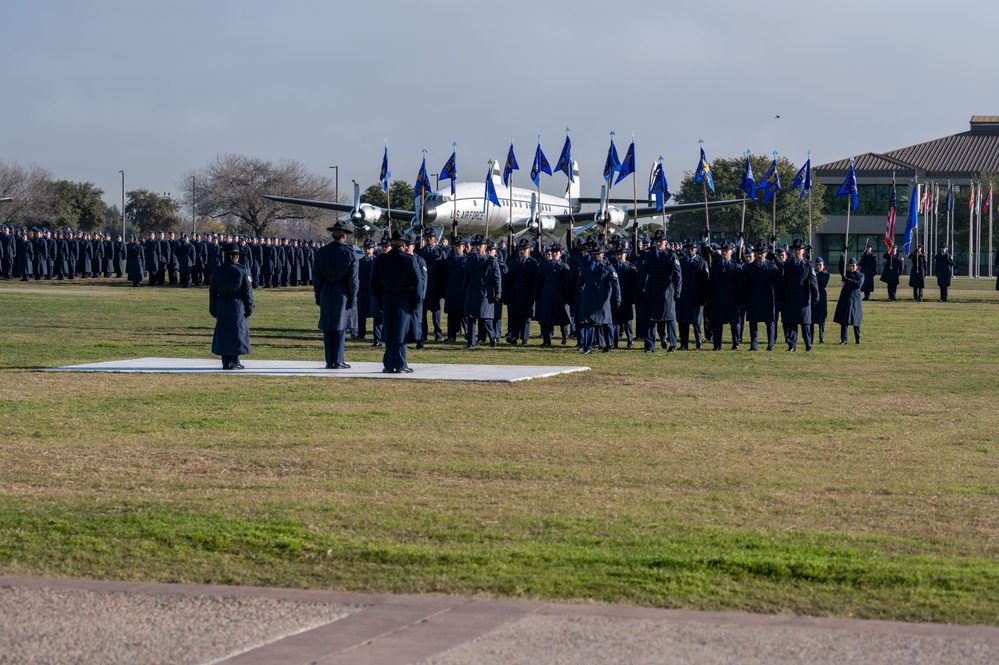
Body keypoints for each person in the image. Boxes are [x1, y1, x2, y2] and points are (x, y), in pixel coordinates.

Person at [371, 229, 422, 373]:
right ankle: (400, 364)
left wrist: (380, 302)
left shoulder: (381, 259)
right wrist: (415, 304)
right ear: (404, 244)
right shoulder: (409, 260)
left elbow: (374, 283)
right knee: (401, 331)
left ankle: (388, 364)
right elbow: (417, 284)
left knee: (389, 330)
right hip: (404, 299)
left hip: (387, 298)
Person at [313, 221, 359, 369]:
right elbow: (353, 279)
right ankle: (338, 360)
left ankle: (329, 360)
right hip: (342, 290)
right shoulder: (349, 253)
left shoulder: (322, 252)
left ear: (333, 235)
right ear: (344, 236)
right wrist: (353, 297)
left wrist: (318, 294)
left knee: (328, 327)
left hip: (326, 289)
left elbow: (316, 276)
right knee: (340, 327)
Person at [209, 242, 254, 370]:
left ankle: (225, 361)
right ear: (237, 257)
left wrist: (212, 309)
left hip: (222, 303)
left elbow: (212, 292)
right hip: (237, 304)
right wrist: (250, 308)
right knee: (237, 331)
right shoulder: (242, 271)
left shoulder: (217, 271)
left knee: (224, 332)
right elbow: (248, 292)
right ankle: (235, 360)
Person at [780, 238, 819, 352]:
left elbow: (813, 281)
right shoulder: (788, 264)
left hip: (803, 297)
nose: (797, 252)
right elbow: (784, 281)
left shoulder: (808, 265)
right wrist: (781, 295)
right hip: (790, 296)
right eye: (795, 250)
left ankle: (808, 344)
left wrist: (816, 295)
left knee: (805, 323)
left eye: (799, 250)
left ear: (803, 251)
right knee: (791, 322)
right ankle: (792, 345)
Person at [833, 257, 864, 344]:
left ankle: (857, 339)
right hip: (845, 297)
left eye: (853, 266)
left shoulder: (861, 275)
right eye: (850, 266)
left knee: (856, 320)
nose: (851, 268)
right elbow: (840, 267)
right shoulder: (845, 273)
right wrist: (843, 257)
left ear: (856, 266)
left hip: (855, 299)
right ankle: (844, 339)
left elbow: (858, 284)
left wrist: (848, 280)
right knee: (844, 320)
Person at [814, 257, 831, 344]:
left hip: (822, 296)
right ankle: (811, 336)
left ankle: (821, 336)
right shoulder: (812, 272)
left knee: (822, 318)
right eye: (817, 265)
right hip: (813, 296)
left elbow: (821, 281)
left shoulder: (826, 274)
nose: (818, 266)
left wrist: (815, 275)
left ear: (823, 266)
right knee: (812, 318)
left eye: (820, 265)